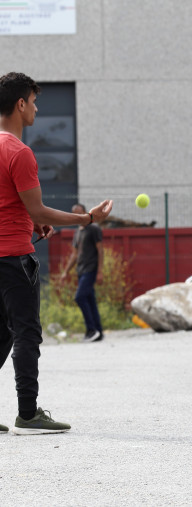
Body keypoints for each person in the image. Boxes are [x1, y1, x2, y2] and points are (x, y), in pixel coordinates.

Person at [0, 72, 113, 435]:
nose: (35, 108)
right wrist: (87, 218)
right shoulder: (19, 152)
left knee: (2, 334)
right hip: (15, 260)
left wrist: (31, 224)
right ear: (20, 104)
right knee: (27, 333)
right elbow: (40, 210)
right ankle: (29, 414)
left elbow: (12, 205)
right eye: (33, 102)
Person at [59, 203, 105, 343]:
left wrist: (100, 272)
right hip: (81, 270)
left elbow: (100, 250)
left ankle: (91, 330)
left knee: (80, 297)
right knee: (90, 299)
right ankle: (98, 332)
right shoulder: (78, 231)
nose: (77, 216)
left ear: (85, 212)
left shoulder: (94, 228)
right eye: (74, 214)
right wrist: (66, 271)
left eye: (79, 213)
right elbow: (75, 254)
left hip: (91, 269)